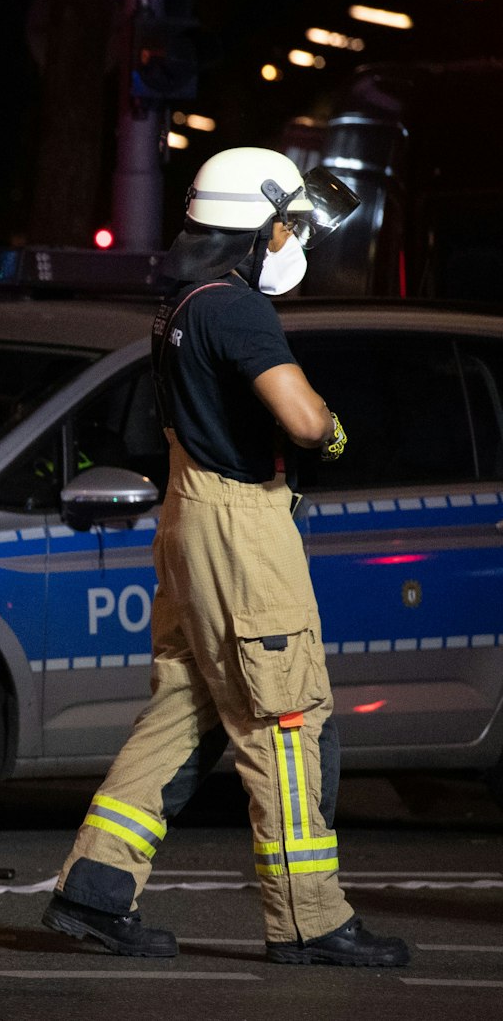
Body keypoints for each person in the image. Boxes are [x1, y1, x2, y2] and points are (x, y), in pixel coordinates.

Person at [40, 146, 409, 967]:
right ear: (260, 225)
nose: (290, 239)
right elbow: (305, 419)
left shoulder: (183, 301)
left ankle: (93, 891)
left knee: (184, 708)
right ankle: (309, 919)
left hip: (187, 514)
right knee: (282, 718)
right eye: (287, 224)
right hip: (242, 528)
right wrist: (332, 429)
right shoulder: (238, 309)